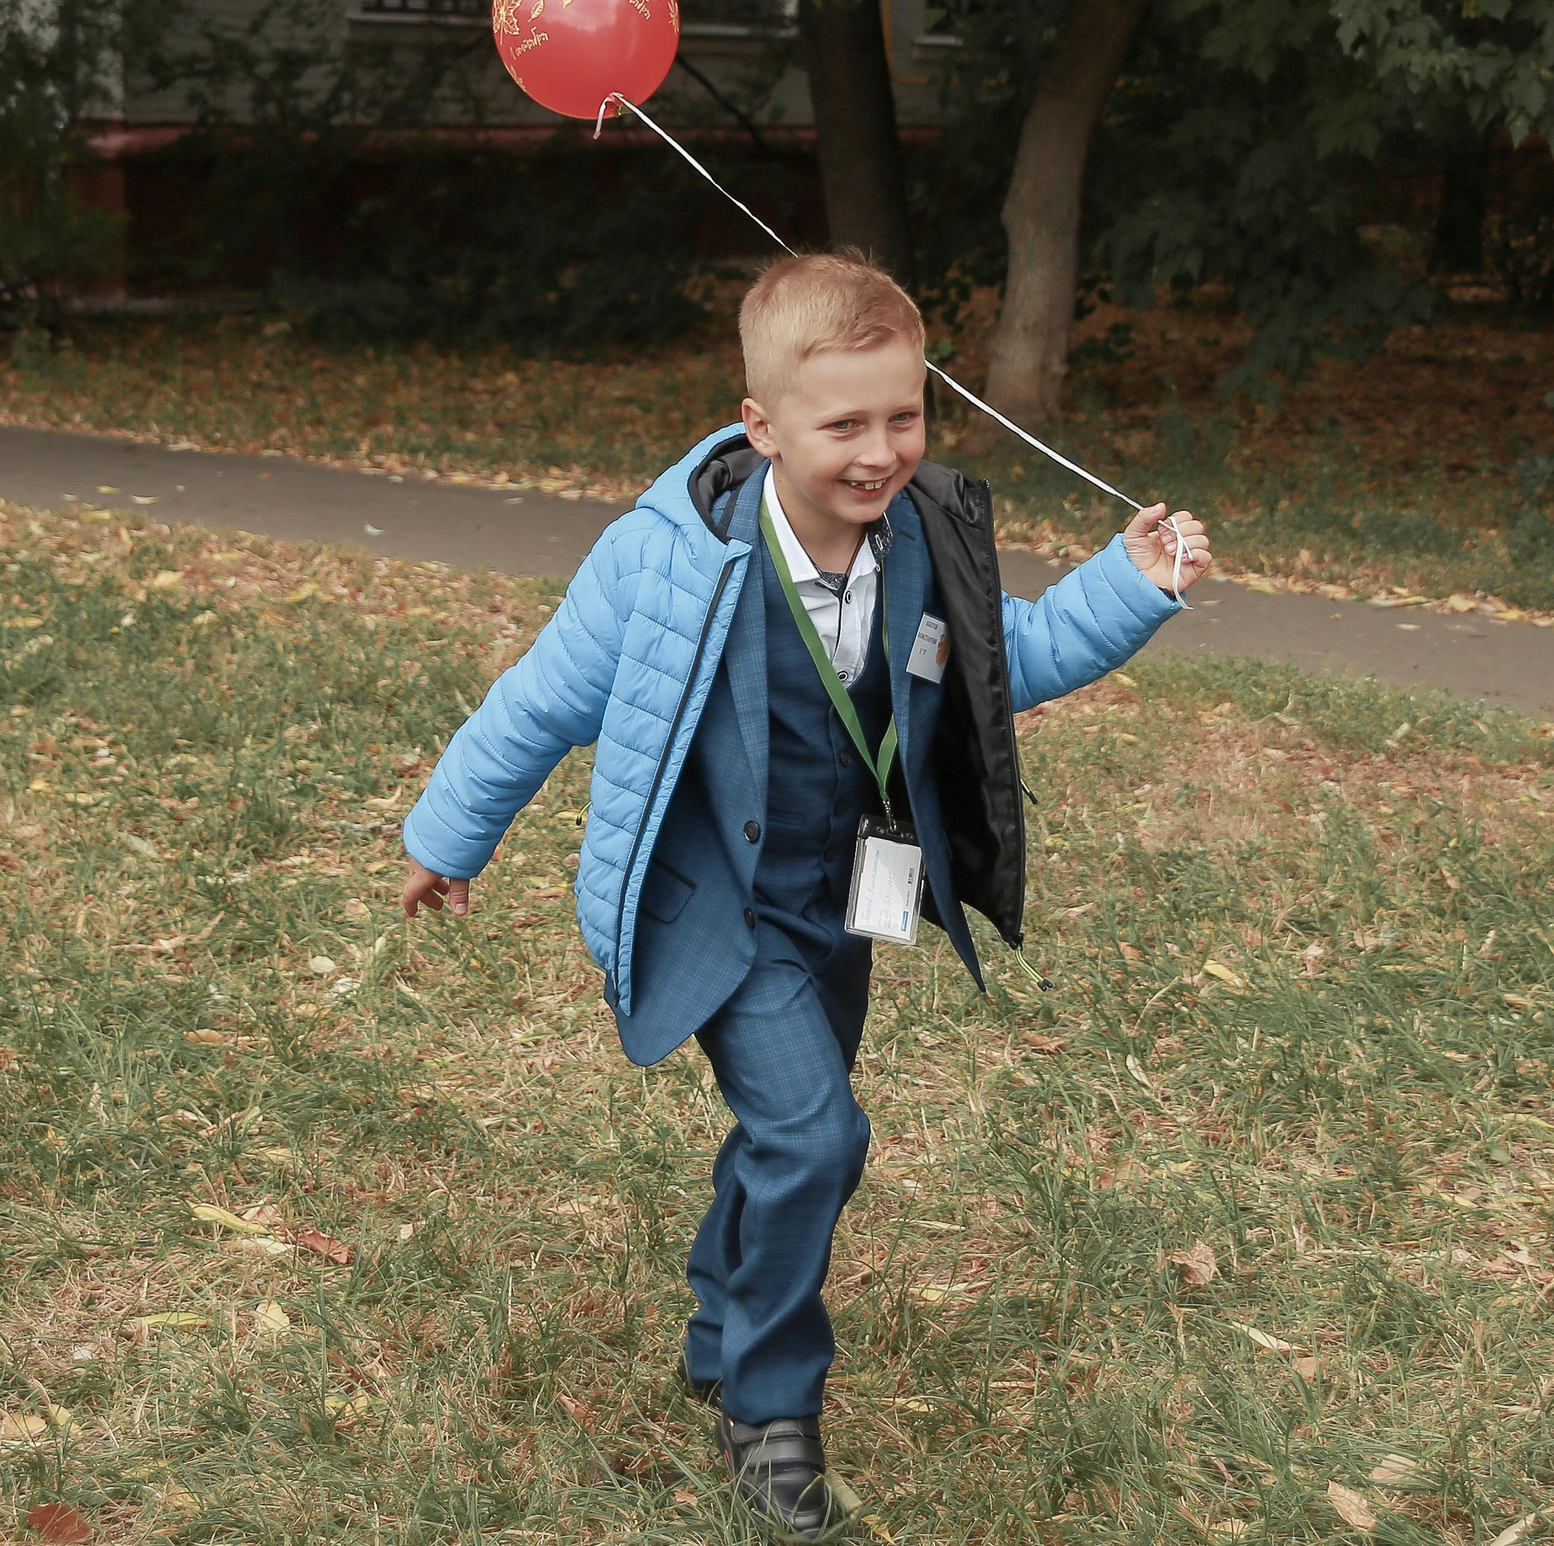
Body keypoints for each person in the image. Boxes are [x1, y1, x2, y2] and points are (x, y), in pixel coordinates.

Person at [396, 253, 1208, 1538]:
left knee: (792, 1128)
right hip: (719, 904)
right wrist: (450, 835)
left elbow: (1016, 655)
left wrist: (1132, 583)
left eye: (904, 415)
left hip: (847, 898)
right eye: (844, 425)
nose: (880, 450)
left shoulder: (924, 538)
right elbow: (542, 699)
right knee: (821, 1136)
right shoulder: (661, 559)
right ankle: (769, 1410)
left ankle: (719, 1322)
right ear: (759, 424)